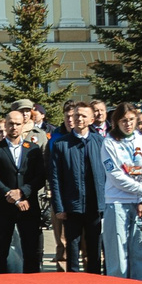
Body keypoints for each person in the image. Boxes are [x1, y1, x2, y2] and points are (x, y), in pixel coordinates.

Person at [0, 106, 47, 274]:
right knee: (0, 252)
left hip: (28, 206)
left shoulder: (32, 149)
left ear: (23, 125)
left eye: (17, 124)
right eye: (10, 124)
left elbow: (40, 177)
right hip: (4, 206)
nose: (14, 127)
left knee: (30, 252)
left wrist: (23, 193)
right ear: (6, 124)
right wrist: (11, 195)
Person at [97, 104, 142, 280]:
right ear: (116, 122)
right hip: (117, 201)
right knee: (117, 252)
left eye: (131, 120)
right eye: (123, 120)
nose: (128, 124)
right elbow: (115, 175)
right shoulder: (109, 143)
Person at [47, 102, 103, 271]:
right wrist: (59, 206)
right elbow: (55, 179)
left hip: (95, 205)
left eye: (83, 115)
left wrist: (105, 204)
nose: (79, 118)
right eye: (76, 115)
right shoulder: (61, 144)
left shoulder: (101, 143)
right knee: (72, 249)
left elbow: (107, 175)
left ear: (92, 119)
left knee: (94, 249)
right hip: (72, 206)